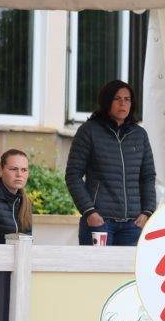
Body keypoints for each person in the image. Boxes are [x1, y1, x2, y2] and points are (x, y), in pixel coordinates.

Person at [65, 80, 156, 246]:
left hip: (133, 225)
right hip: (99, 222)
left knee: (128, 265)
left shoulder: (140, 135)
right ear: (107, 101)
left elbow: (148, 177)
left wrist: (147, 212)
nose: (123, 103)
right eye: (117, 99)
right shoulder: (89, 131)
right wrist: (89, 211)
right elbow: (73, 175)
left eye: (127, 99)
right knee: (96, 264)